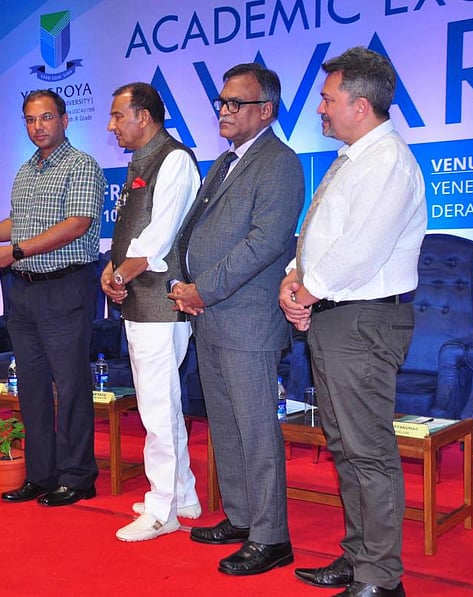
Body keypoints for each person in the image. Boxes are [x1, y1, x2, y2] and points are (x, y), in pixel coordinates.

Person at [280, 48, 426, 597]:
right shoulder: (354, 157)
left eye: (327, 97)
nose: (319, 108)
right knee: (345, 446)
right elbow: (321, 234)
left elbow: (362, 250)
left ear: (360, 105)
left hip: (362, 321)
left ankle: (381, 580)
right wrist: (293, 278)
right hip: (337, 316)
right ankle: (359, 556)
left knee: (368, 452)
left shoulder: (387, 160)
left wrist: (308, 291)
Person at [170, 63, 304, 575]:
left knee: (256, 430)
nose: (223, 111)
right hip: (210, 315)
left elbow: (265, 243)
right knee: (225, 426)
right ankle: (243, 518)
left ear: (265, 110)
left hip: (247, 321)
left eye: (235, 103)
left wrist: (202, 288)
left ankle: (272, 537)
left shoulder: (279, 163)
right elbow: (194, 233)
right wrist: (180, 283)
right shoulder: (225, 162)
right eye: (221, 102)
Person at [0, 89, 105, 507]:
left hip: (64, 285)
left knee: (71, 385)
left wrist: (18, 250)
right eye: (29, 119)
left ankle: (78, 476)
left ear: (64, 119)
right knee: (32, 387)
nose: (37, 126)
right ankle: (41, 475)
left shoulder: (82, 165)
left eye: (45, 118)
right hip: (21, 290)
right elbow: (18, 223)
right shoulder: (26, 170)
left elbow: (77, 225)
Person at [101, 82, 201, 542]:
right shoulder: (141, 162)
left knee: (158, 409)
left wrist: (120, 275)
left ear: (144, 116)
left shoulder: (175, 159)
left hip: (162, 300)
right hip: (140, 300)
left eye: (118, 116)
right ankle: (182, 494)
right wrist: (112, 270)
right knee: (161, 405)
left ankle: (162, 511)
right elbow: (130, 233)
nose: (112, 125)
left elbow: (159, 236)